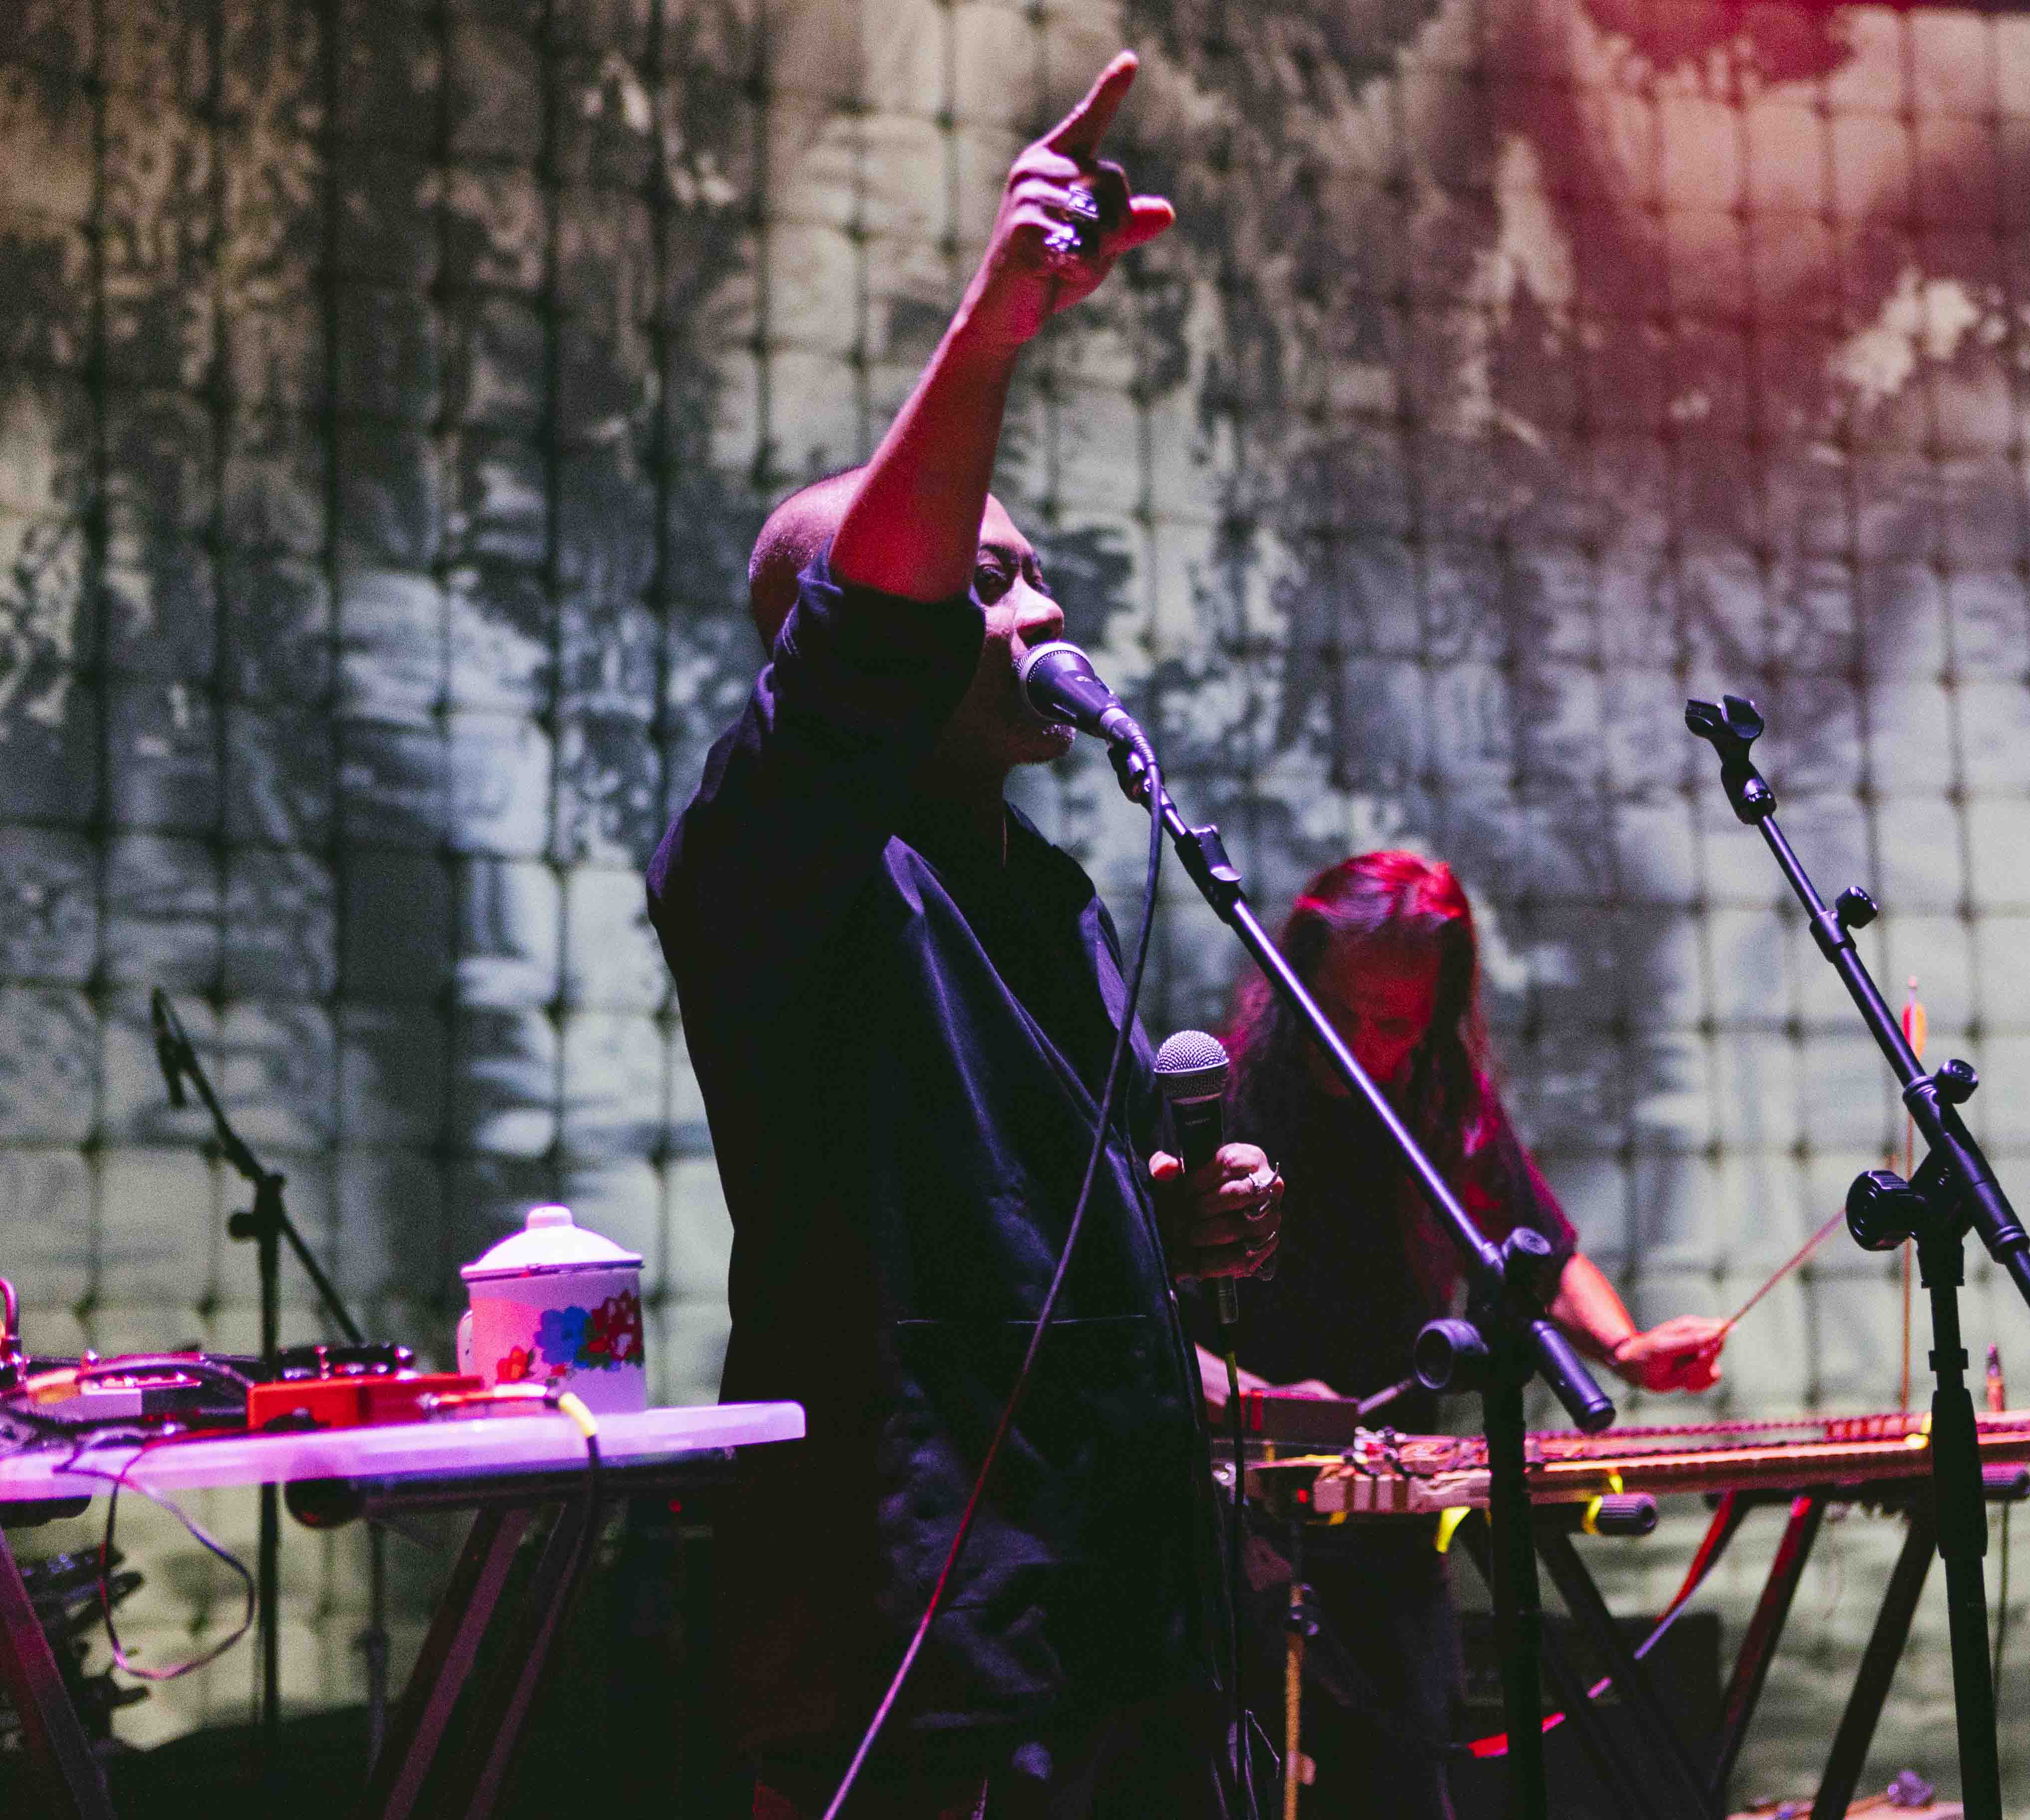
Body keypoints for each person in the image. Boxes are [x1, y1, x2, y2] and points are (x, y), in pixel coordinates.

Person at [649, 53, 1281, 1820]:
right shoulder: (772, 862)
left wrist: (1171, 1227)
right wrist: (990, 335)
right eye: (986, 577)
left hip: (1123, 1613)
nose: (1042, 603)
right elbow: (868, 639)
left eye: (1033, 567)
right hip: (923, 1640)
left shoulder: (1049, 894)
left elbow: (1021, 1223)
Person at [1197, 850, 1726, 1820]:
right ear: (1298, 978)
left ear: (1436, 1014)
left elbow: (1538, 1252)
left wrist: (1625, 1347)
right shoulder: (1225, 1107)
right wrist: (1263, 1405)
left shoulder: (1440, 1101)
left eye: (1394, 1024)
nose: (1364, 1043)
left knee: (1405, 1791)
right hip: (1241, 1532)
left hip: (1392, 1528)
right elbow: (1140, 1313)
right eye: (1341, 1011)